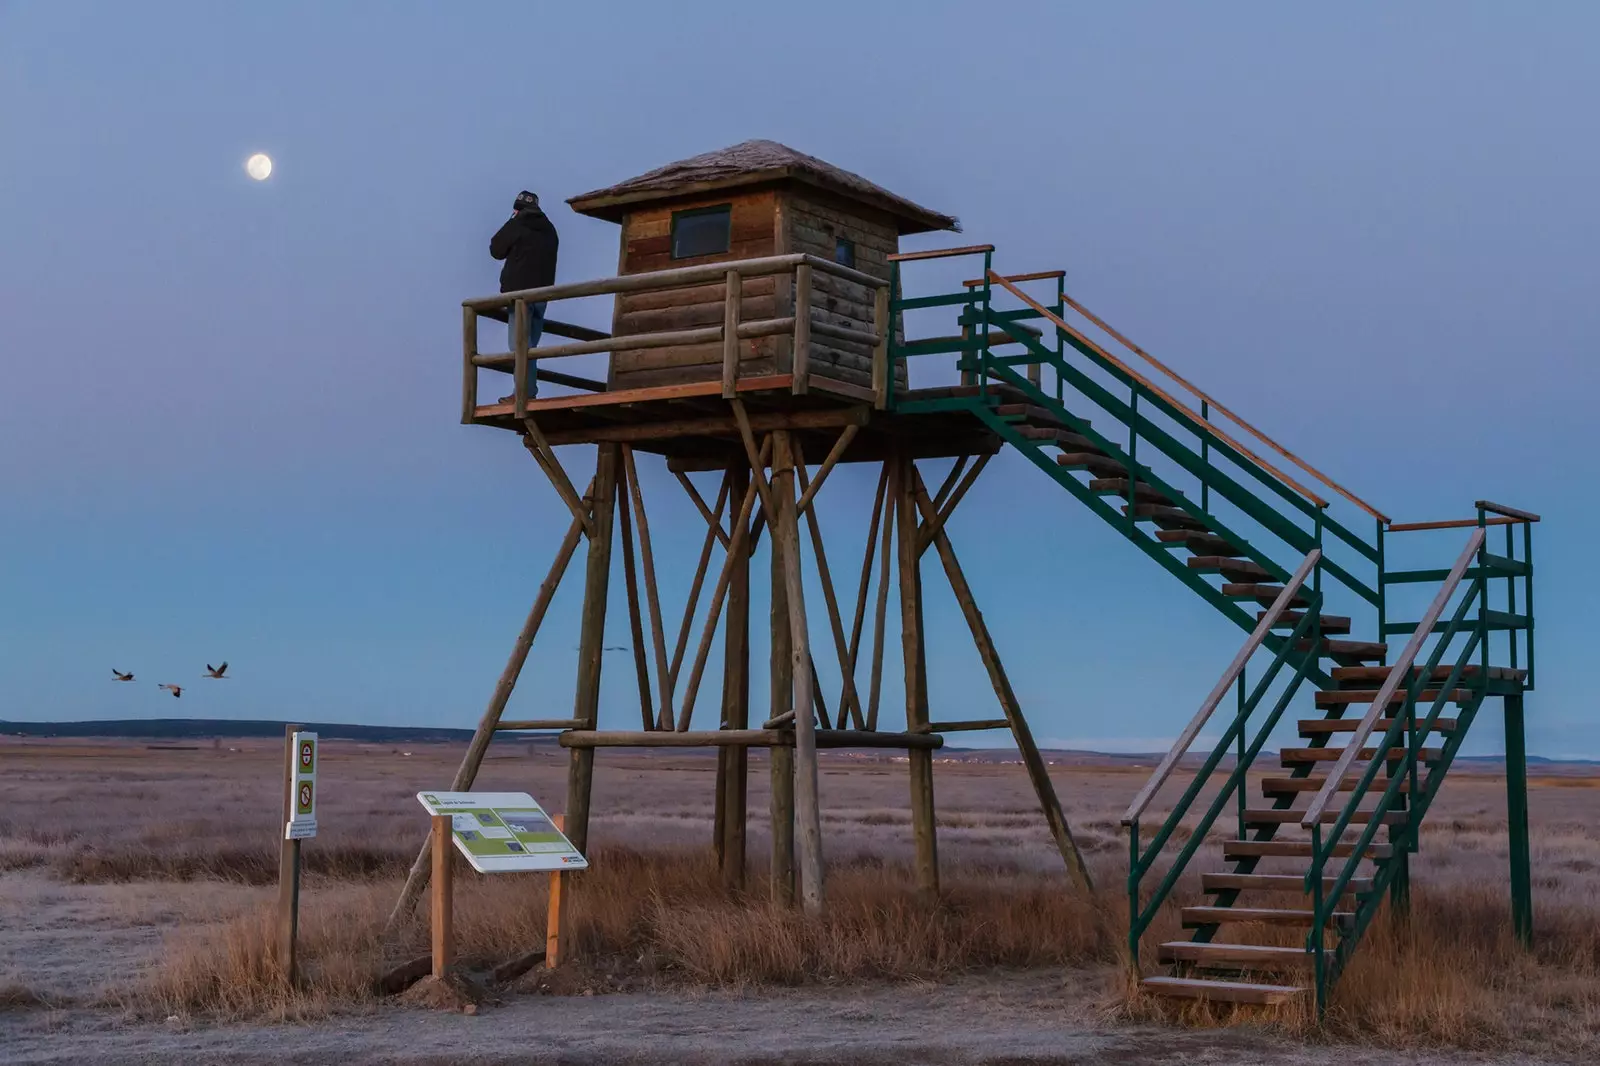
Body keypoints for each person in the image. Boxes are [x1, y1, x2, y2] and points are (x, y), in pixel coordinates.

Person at [490, 190, 559, 398]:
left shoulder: (518, 224)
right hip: (542, 295)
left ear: (517, 209)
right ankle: (528, 390)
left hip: (519, 296)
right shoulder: (549, 229)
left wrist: (511, 221)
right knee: (531, 348)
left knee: (518, 346)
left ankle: (523, 393)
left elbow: (496, 249)